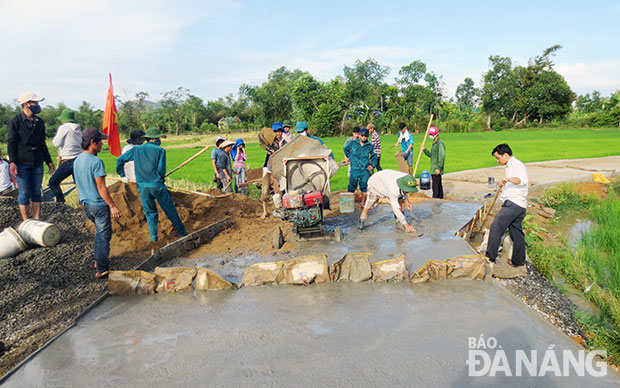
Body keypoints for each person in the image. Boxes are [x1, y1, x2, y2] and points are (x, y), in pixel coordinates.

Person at [116, 127, 187, 242]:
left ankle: (154, 238)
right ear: (153, 139)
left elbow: (120, 160)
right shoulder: (160, 151)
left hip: (143, 187)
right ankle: (182, 233)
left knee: (150, 212)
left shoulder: (136, 150)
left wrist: (122, 174)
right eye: (158, 138)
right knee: (169, 209)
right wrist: (160, 180)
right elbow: (161, 169)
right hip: (157, 185)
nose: (160, 140)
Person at [73, 128, 122, 278]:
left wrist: (81, 200)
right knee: (103, 235)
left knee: (99, 233)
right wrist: (112, 205)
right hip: (98, 204)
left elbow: (77, 183)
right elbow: (101, 187)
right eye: (100, 142)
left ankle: (97, 260)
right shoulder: (96, 162)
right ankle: (102, 269)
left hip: (86, 203)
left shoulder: (77, 160)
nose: (102, 145)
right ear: (93, 143)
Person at [7, 91, 56, 220]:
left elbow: (42, 143)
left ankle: (36, 219)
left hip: (37, 161)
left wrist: (49, 161)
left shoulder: (39, 122)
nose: (37, 105)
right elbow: (12, 142)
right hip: (22, 162)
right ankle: (26, 221)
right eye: (35, 102)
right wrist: (12, 162)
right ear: (26, 104)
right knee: (24, 193)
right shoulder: (15, 121)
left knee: (36, 191)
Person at [486, 144, 528, 267]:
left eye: (498, 158)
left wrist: (506, 179)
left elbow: (522, 180)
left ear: (505, 155)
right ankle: (518, 261)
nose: (498, 161)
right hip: (519, 205)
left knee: (496, 225)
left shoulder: (516, 164)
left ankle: (490, 258)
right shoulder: (510, 166)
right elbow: (514, 181)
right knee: (516, 232)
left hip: (513, 204)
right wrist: (505, 183)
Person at [358, 169, 419, 234]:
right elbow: (395, 208)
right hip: (375, 183)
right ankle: (360, 225)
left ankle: (399, 221)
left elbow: (403, 192)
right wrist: (406, 224)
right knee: (368, 205)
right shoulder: (393, 190)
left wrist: (407, 201)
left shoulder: (407, 178)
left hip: (386, 180)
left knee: (401, 200)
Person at [48, 109, 82, 202]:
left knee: (53, 182)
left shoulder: (64, 128)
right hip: (79, 159)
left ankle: (60, 203)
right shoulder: (78, 129)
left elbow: (56, 142)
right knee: (79, 185)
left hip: (68, 160)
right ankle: (82, 205)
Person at [344, 128, 377, 207]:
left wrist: (372, 165)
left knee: (364, 186)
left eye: (365, 136)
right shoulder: (353, 143)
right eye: (362, 136)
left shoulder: (370, 146)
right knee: (352, 185)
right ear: (359, 135)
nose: (363, 138)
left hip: (364, 169)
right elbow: (346, 149)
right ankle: (350, 203)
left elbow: (374, 156)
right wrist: (350, 157)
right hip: (354, 168)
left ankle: (363, 202)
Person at [261, 122, 287, 218]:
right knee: (265, 191)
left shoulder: (285, 143)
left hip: (278, 170)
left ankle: (281, 210)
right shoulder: (270, 142)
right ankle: (265, 212)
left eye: (280, 131)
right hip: (268, 168)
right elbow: (261, 139)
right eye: (276, 131)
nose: (278, 134)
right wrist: (270, 150)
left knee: (278, 191)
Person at [420, 126, 446, 199]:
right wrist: (424, 150)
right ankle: (440, 200)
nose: (430, 136)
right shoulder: (434, 143)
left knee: (435, 187)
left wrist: (439, 167)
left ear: (436, 134)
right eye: (430, 134)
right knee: (438, 186)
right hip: (433, 168)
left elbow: (442, 156)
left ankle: (434, 201)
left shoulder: (440, 143)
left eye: (431, 134)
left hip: (436, 169)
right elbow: (432, 155)